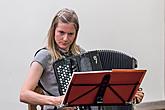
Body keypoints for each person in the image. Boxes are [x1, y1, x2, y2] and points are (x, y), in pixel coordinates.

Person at [20, 8, 144, 110]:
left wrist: (129, 93)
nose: (65, 39)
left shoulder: (82, 54)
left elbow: (100, 91)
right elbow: (24, 94)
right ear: (53, 31)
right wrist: (56, 100)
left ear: (76, 33)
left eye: (70, 34)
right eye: (61, 32)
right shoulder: (44, 56)